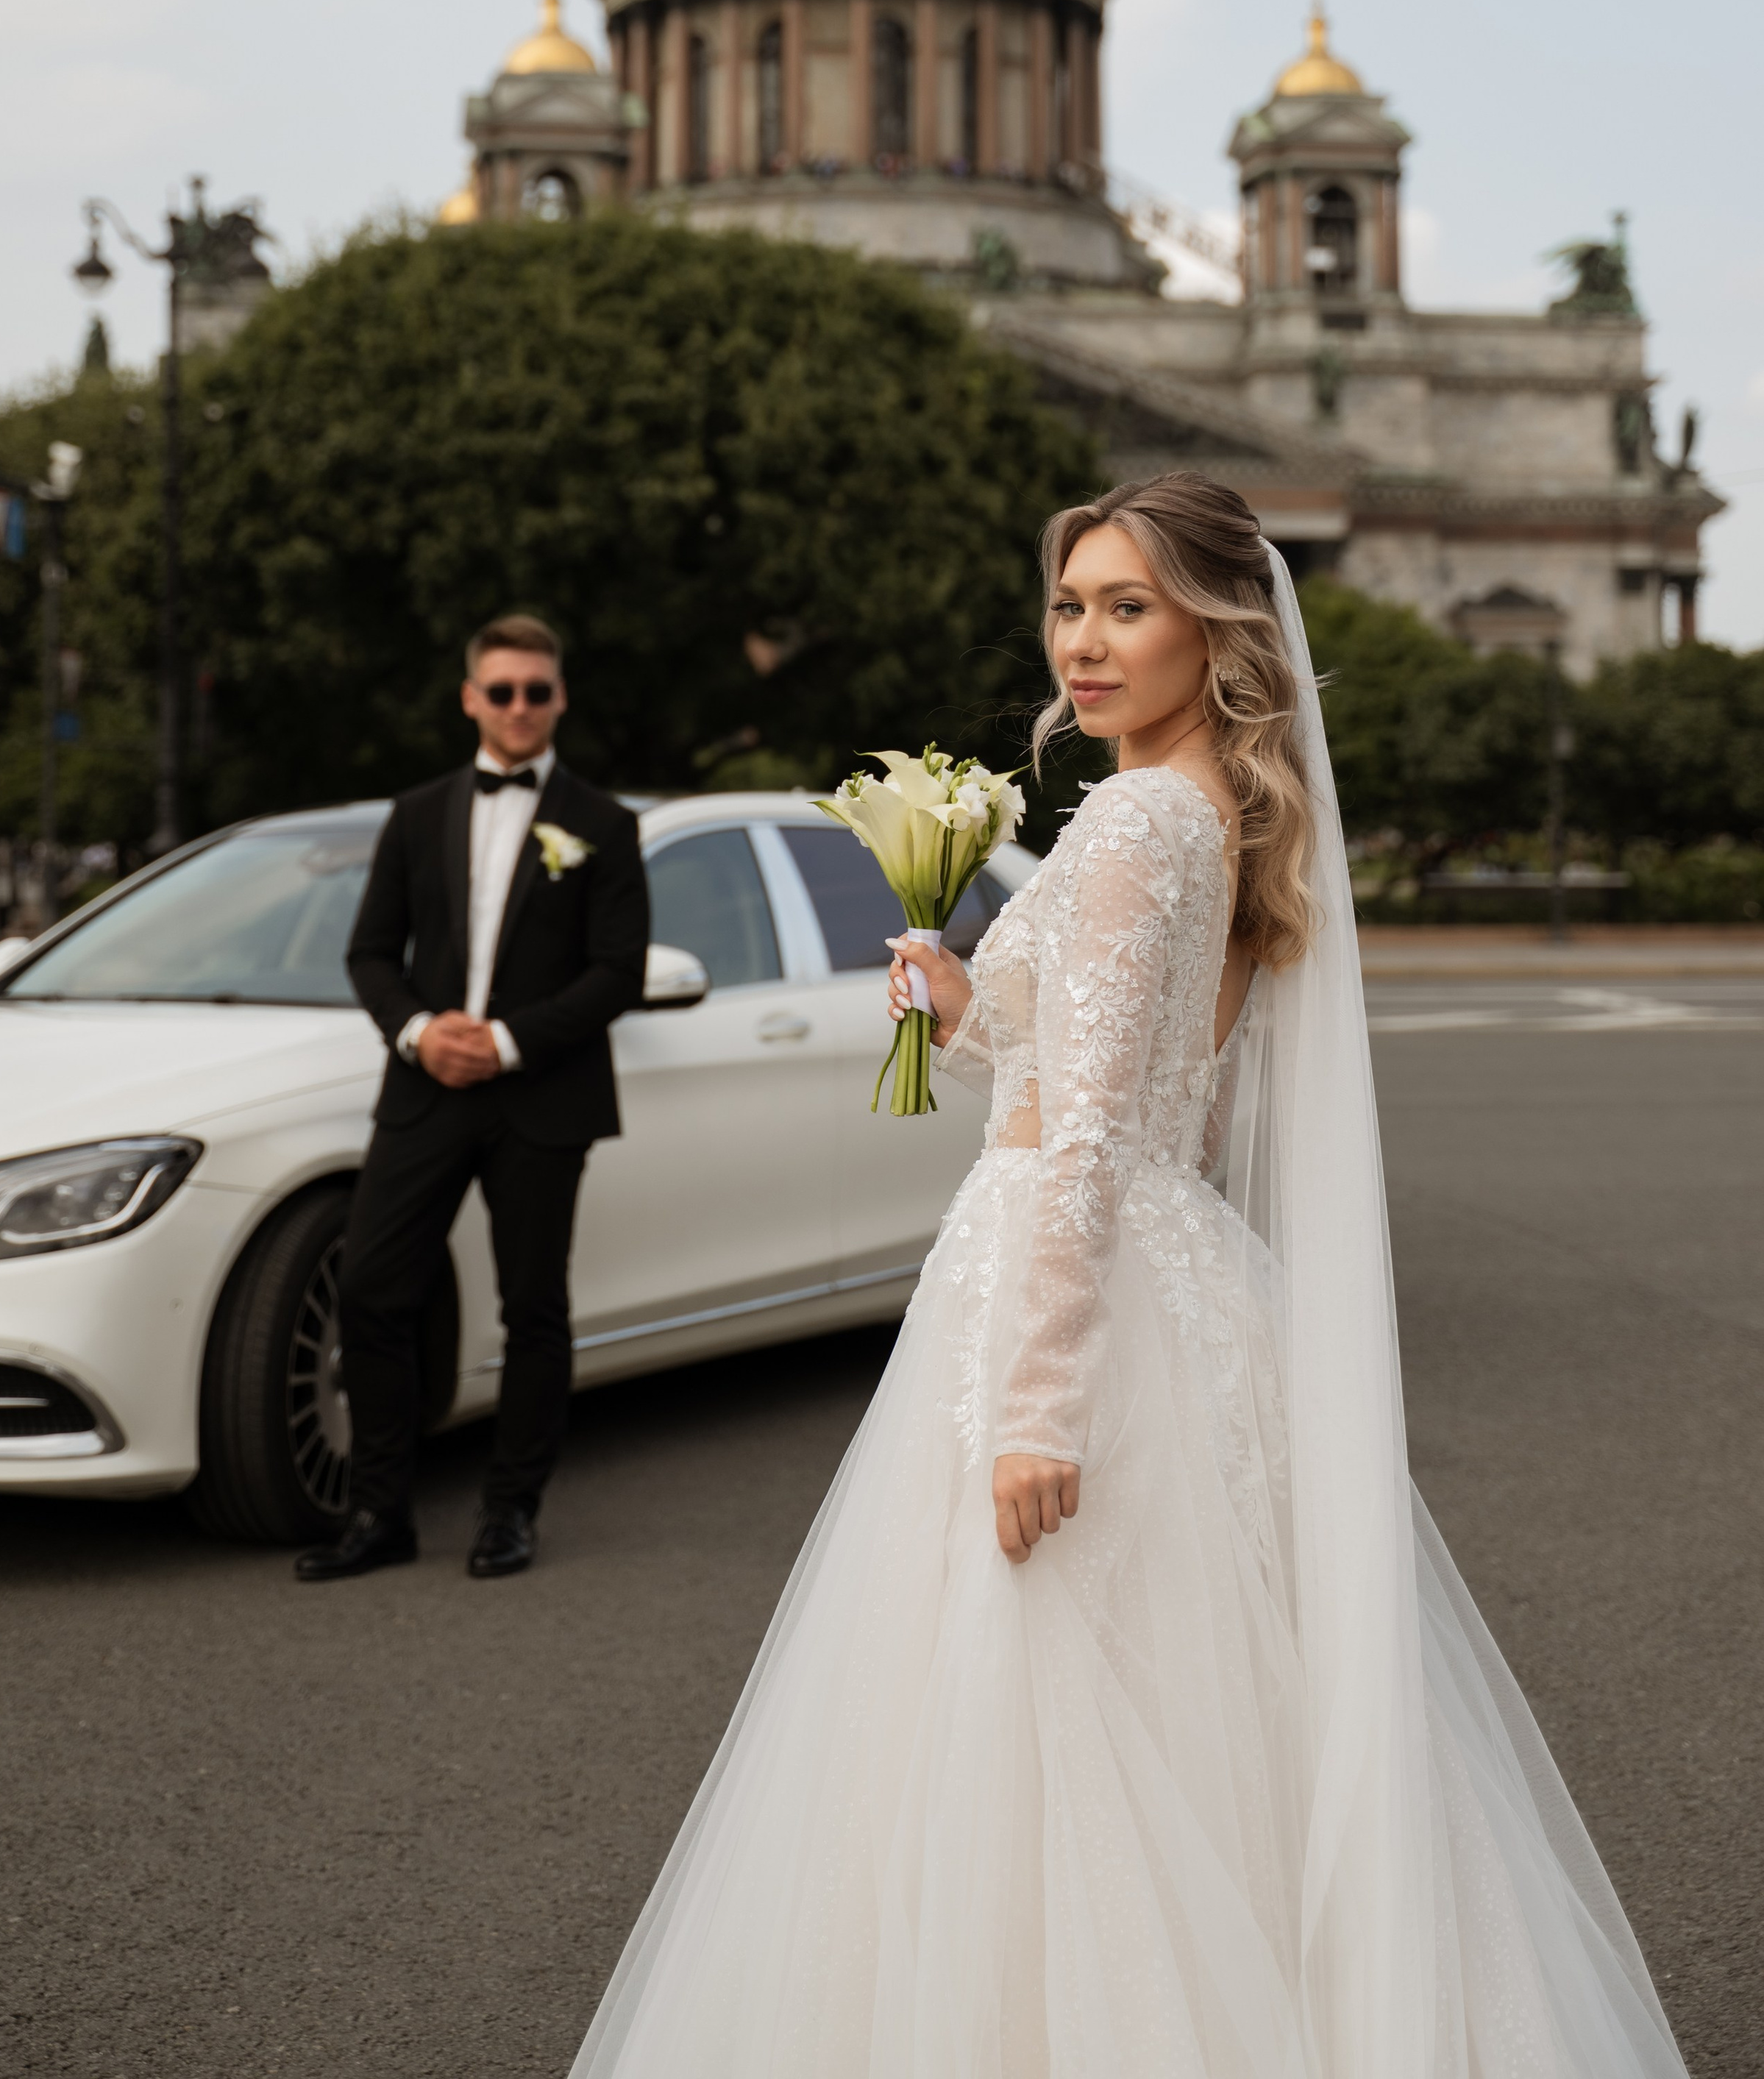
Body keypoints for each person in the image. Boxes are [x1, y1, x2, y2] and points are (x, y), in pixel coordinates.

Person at [569, 475, 1689, 2078]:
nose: (1081, 643)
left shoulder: (1132, 822)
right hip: (1172, 1279)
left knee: (1043, 1744)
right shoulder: (1212, 809)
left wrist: (1036, 1404)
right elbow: (1131, 1091)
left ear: (1213, 629)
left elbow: (1085, 1138)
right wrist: (959, 1006)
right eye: (1069, 606)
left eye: (1127, 607)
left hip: (1063, 1292)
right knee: (1206, 1728)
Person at [298, 614, 649, 1585]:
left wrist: (501, 1041)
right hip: (426, 1091)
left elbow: (618, 971)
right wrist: (421, 1033)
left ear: (560, 697)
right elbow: (371, 953)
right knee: (372, 1292)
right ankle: (379, 1513)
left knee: (532, 1307)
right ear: (471, 699)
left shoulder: (605, 825)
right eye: (503, 691)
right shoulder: (416, 815)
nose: (521, 707)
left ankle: (510, 1512)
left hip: (543, 1097)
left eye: (538, 690)